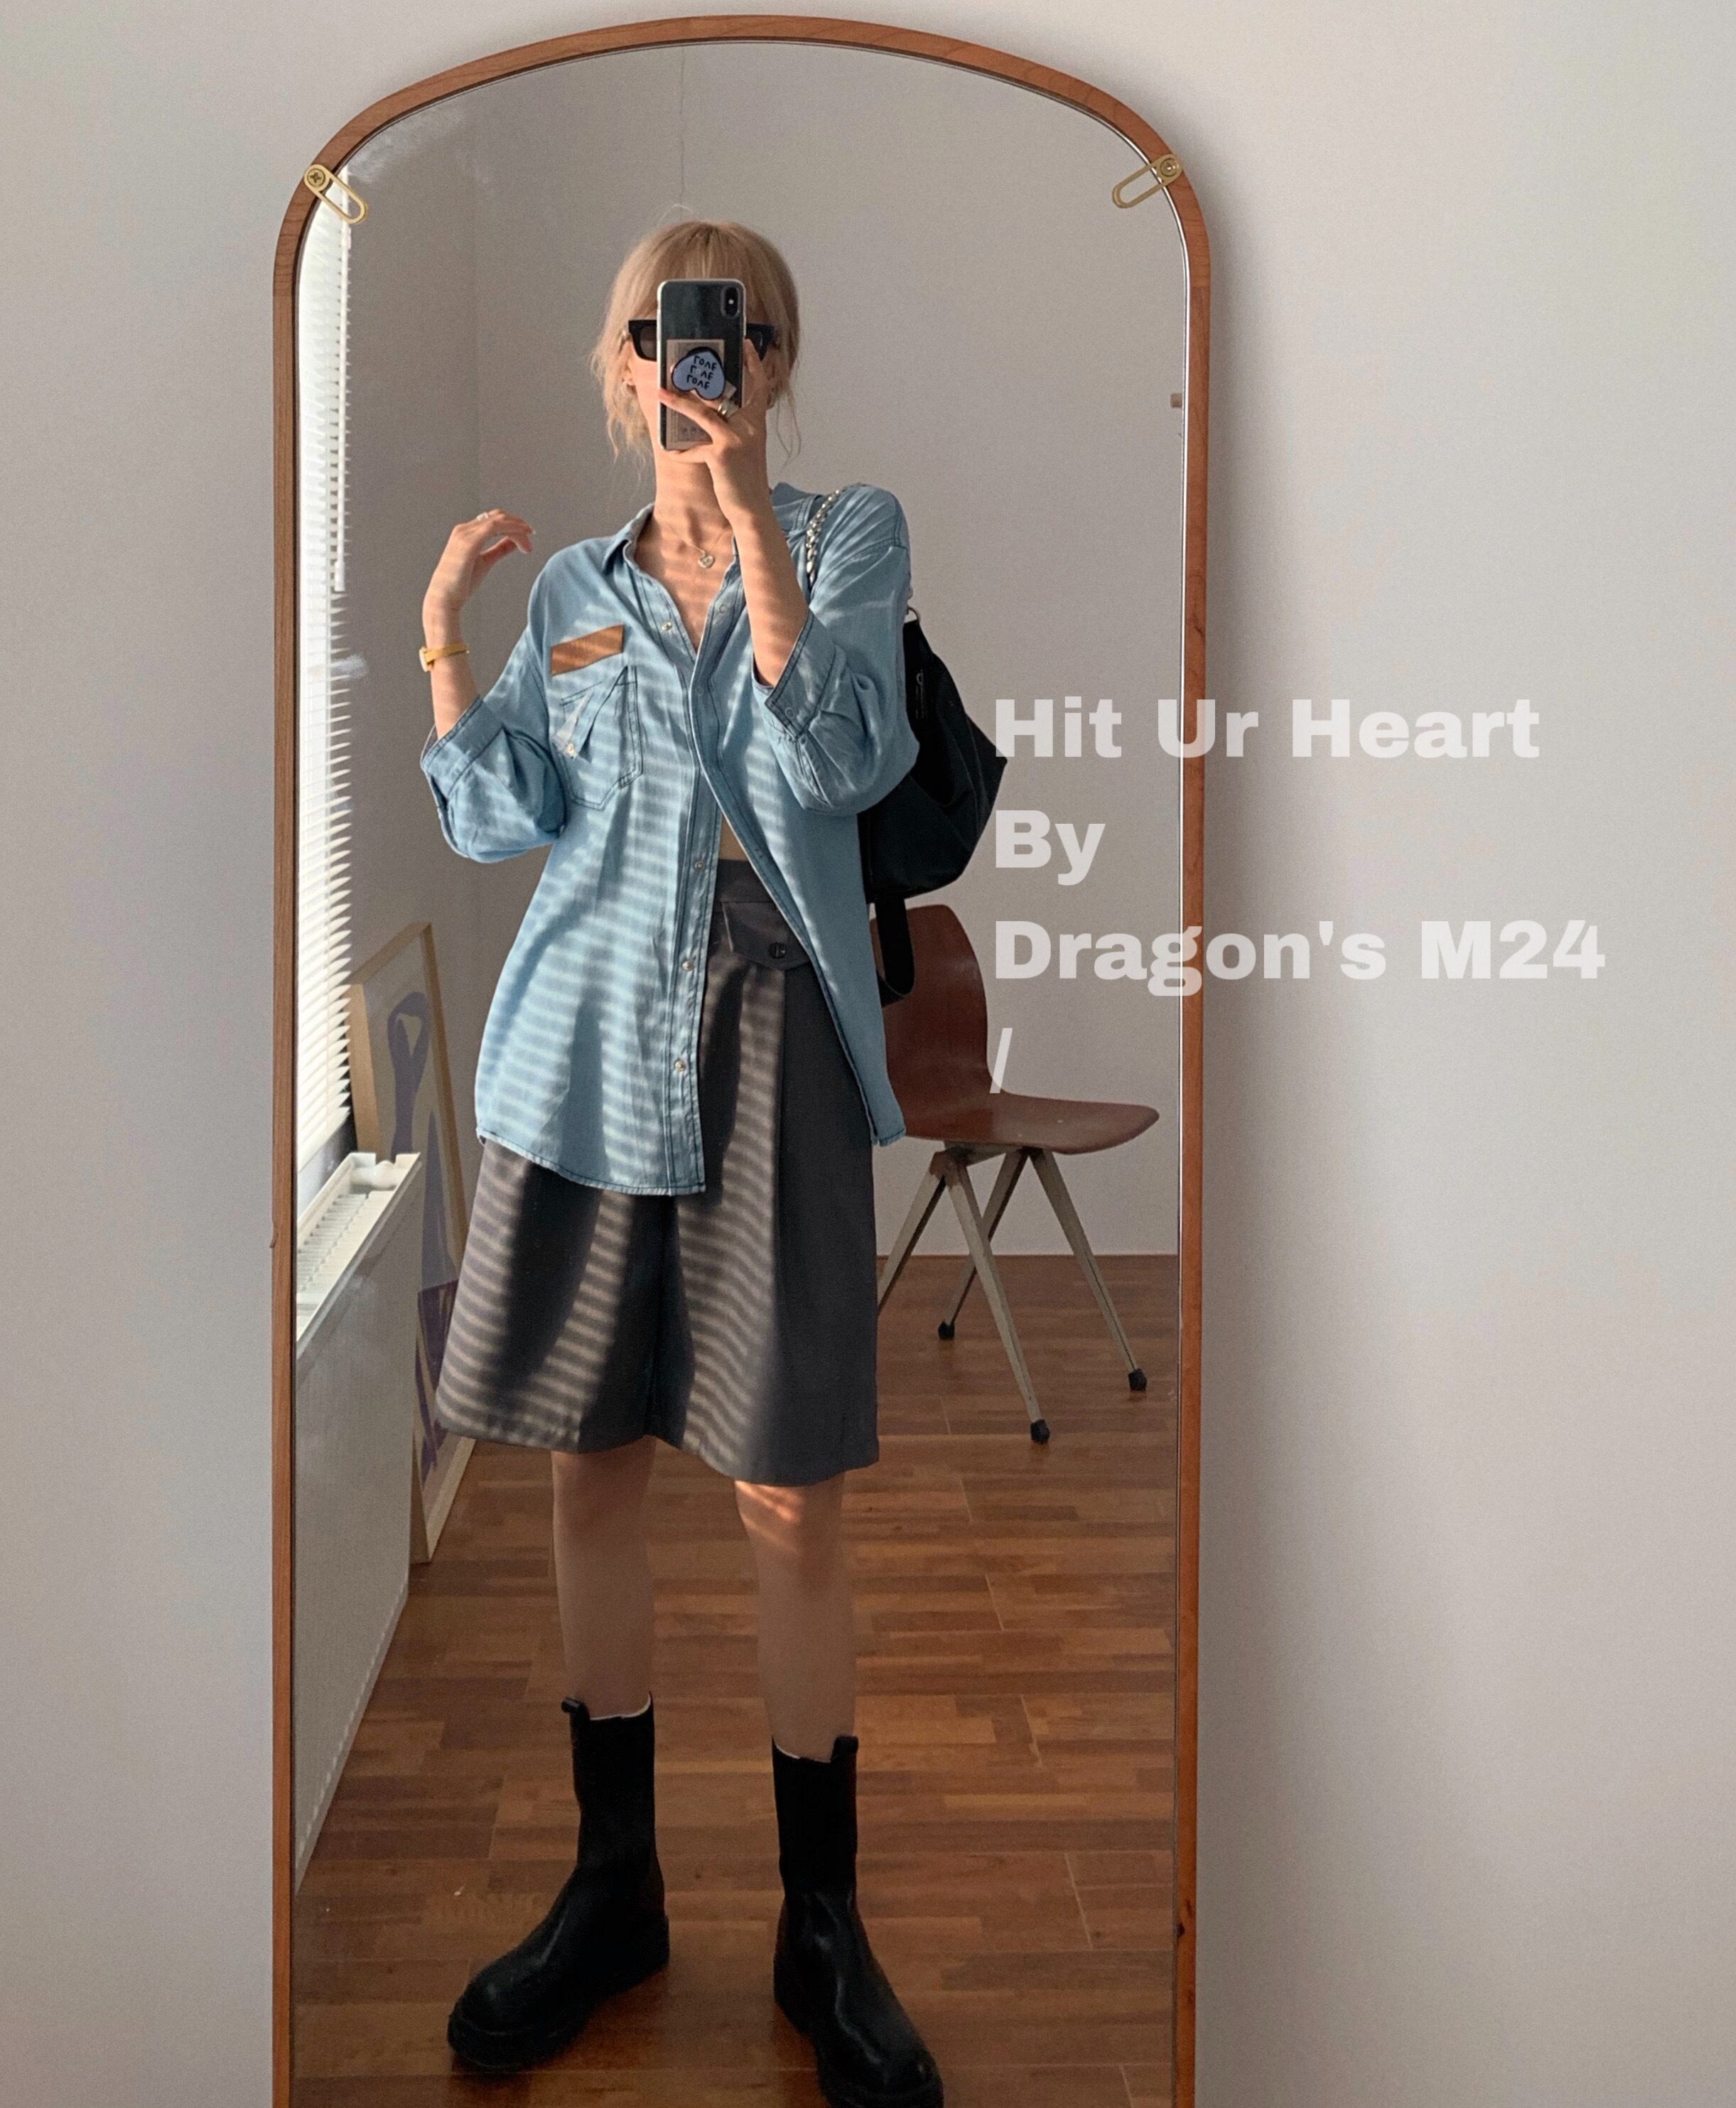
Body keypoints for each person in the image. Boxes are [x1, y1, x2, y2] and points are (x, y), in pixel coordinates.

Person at [415, 218, 942, 2107]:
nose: (695, 361)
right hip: (573, 1049)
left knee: (790, 1490)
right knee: (588, 1471)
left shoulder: (851, 533)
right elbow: (508, 823)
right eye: (661, 331)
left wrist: (756, 532)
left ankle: (822, 1927)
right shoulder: (573, 586)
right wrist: (442, 642)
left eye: (735, 332)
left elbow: (846, 765)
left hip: (771, 1027)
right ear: (622, 359)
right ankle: (612, 1889)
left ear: (774, 363)